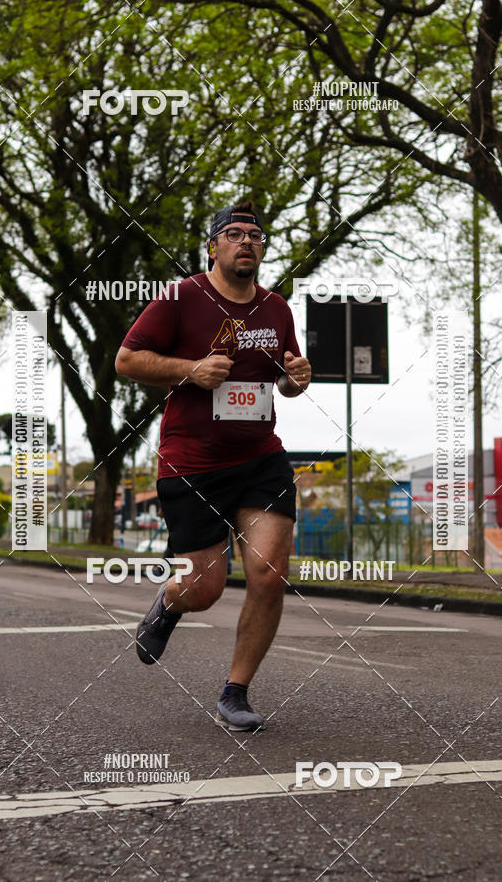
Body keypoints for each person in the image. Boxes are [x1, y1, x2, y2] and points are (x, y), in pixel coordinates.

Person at [115, 200, 311, 731]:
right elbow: (126, 360)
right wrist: (191, 370)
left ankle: (236, 693)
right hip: (193, 462)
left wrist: (296, 378)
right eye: (234, 233)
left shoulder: (277, 309)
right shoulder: (181, 297)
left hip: (261, 459)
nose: (246, 241)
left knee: (269, 575)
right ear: (213, 246)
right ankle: (169, 603)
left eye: (255, 235)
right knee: (203, 590)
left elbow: (285, 380)